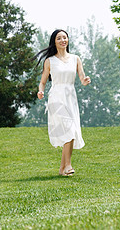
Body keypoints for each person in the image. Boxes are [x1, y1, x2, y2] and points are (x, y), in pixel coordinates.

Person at [35, 29, 91, 176]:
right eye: (59, 38)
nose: (62, 40)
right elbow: (43, 82)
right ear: (54, 41)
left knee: (71, 131)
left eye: (64, 38)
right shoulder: (50, 61)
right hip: (56, 98)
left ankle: (62, 168)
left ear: (68, 40)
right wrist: (41, 92)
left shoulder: (75, 59)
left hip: (71, 97)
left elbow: (82, 78)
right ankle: (68, 166)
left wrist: (85, 81)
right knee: (69, 130)